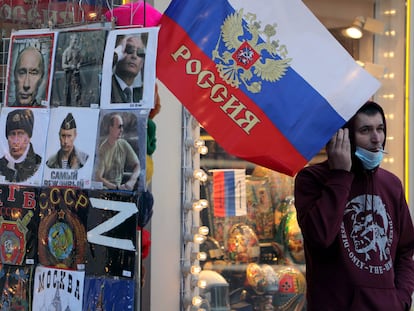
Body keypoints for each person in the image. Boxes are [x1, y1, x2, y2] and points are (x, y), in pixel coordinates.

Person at [294, 101, 414, 311]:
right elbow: (320, 237)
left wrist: (401, 300)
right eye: (365, 130)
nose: (376, 138)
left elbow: (405, 251)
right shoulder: (312, 178)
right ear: (345, 136)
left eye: (380, 129)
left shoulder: (391, 184)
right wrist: (340, 175)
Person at [95, 113, 140, 190]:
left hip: (119, 190)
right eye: (119, 127)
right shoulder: (102, 149)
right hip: (104, 191)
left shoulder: (123, 144)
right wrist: (116, 187)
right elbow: (98, 178)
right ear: (110, 128)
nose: (121, 130)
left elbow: (137, 165)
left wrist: (132, 181)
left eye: (122, 127)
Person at [0, 109, 42, 182]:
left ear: (28, 137)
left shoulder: (39, 164)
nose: (15, 141)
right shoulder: (1, 165)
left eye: (20, 134)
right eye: (12, 134)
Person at [111, 34, 145, 103]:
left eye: (139, 52)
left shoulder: (143, 95)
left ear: (142, 64)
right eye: (129, 49)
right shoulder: (103, 85)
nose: (134, 56)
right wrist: (115, 55)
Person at [62, 33, 82, 106]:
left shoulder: (78, 51)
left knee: (78, 90)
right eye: (74, 39)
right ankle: (68, 104)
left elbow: (80, 59)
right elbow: (63, 65)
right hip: (68, 74)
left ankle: (78, 104)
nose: (75, 41)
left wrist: (79, 64)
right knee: (68, 90)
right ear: (71, 40)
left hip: (76, 73)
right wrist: (70, 66)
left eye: (76, 40)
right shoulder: (66, 52)